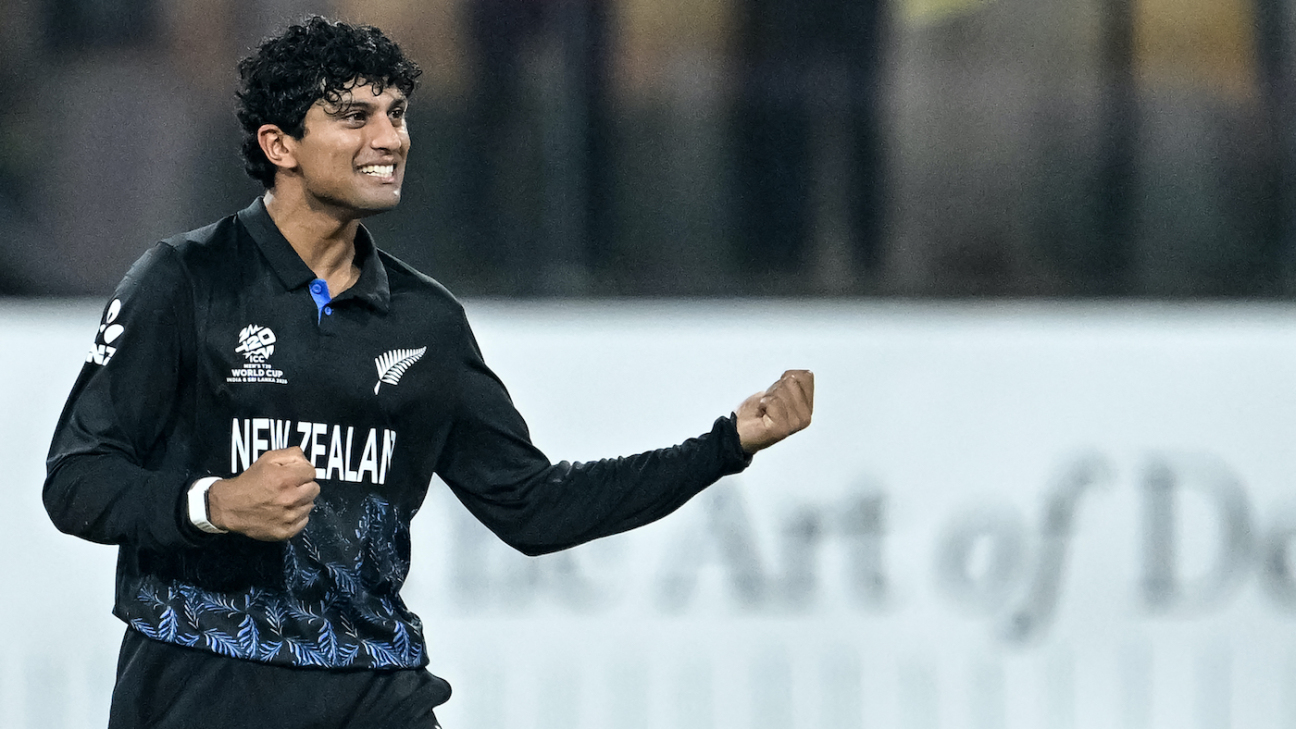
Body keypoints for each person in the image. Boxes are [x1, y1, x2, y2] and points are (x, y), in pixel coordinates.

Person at [44, 16, 814, 729]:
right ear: (280, 145)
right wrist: (214, 503)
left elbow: (534, 507)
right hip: (200, 686)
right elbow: (76, 479)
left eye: (397, 113)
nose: (390, 138)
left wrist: (725, 445)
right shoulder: (185, 281)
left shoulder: (425, 321)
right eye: (355, 116)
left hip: (375, 692)